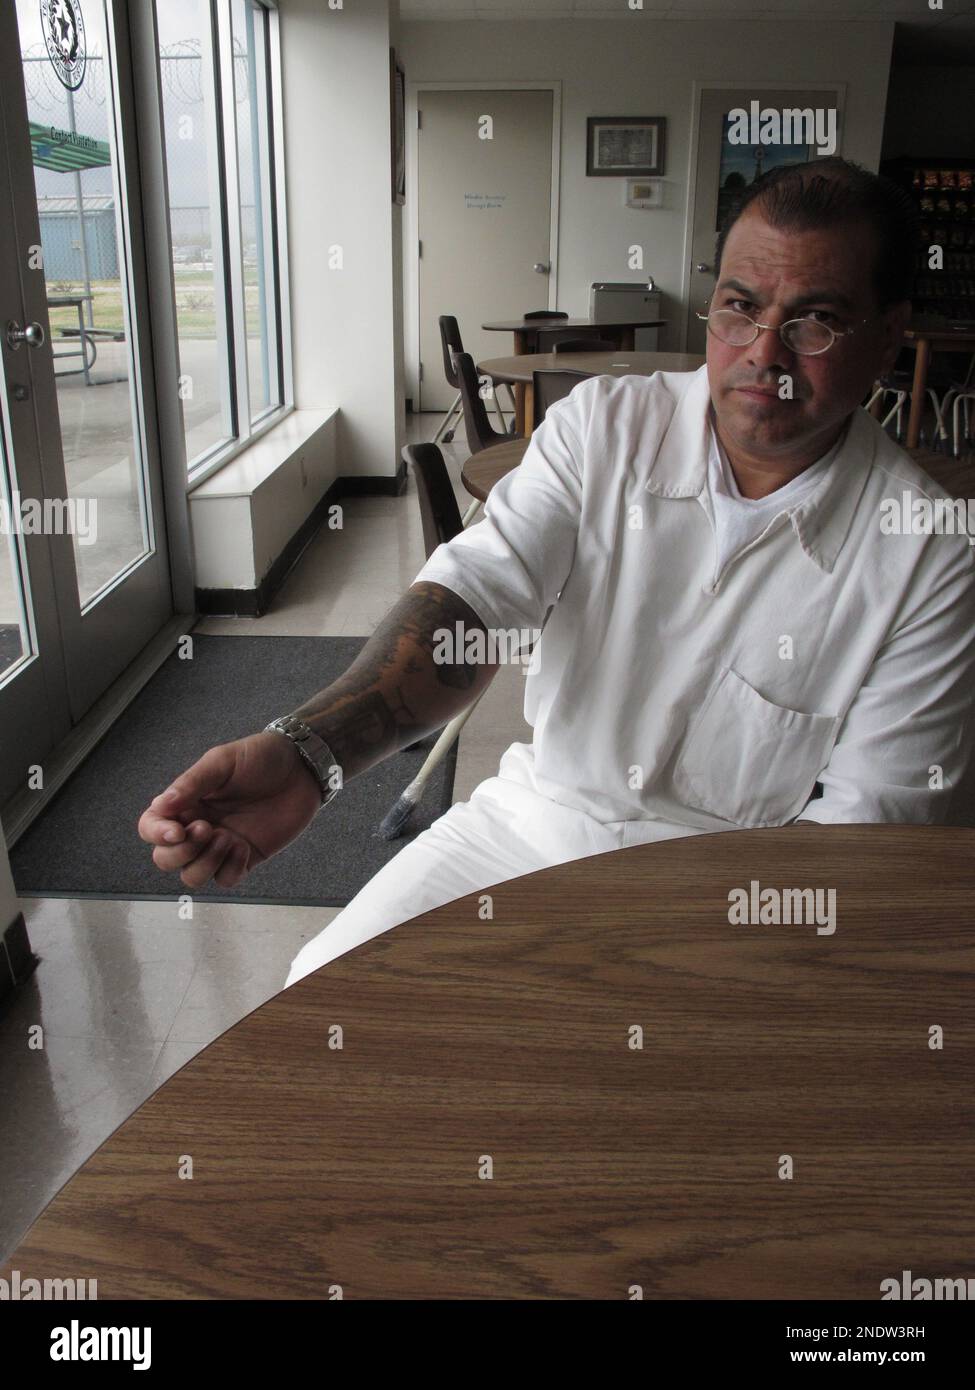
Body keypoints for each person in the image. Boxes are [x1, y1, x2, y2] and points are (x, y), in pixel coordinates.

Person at [138, 157, 975, 987]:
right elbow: (478, 598)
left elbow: (862, 838)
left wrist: (657, 963)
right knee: (327, 991)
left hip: (732, 894)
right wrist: (306, 755)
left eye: (815, 321)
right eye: (739, 307)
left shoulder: (928, 556)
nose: (763, 351)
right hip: (532, 827)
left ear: (888, 335)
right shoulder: (606, 427)